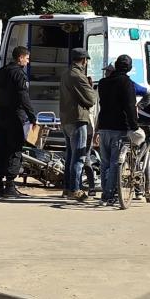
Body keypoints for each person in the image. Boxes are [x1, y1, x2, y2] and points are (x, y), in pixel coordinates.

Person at [0, 46, 36, 198]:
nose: (27, 62)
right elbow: (24, 97)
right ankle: (10, 186)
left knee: (1, 150)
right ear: (20, 58)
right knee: (14, 150)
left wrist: (5, 88)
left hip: (2, 115)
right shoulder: (19, 74)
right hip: (15, 117)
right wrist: (32, 116)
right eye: (27, 59)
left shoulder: (2, 71)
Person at [97, 55, 141, 205]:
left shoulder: (103, 83)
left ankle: (105, 191)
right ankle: (109, 195)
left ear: (115, 66)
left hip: (103, 126)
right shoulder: (126, 83)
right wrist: (134, 126)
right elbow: (130, 106)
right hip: (119, 127)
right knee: (116, 162)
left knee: (105, 162)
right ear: (129, 68)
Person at [60, 48, 97, 201]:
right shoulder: (78, 76)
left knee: (70, 155)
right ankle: (76, 189)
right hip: (78, 119)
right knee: (79, 156)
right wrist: (90, 86)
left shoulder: (65, 73)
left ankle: (67, 188)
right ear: (83, 60)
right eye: (86, 60)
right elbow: (91, 99)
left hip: (66, 119)